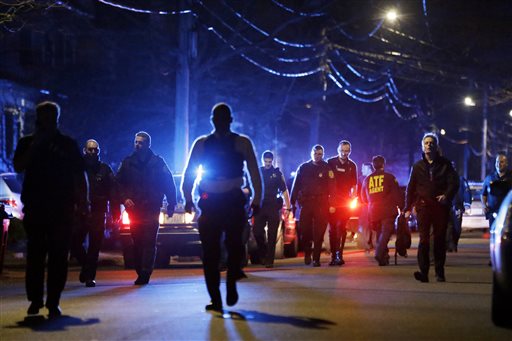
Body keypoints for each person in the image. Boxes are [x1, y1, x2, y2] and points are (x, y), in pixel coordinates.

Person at [182, 103, 262, 312]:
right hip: (210, 202)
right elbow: (189, 173)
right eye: (218, 119)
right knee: (210, 253)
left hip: (232, 200)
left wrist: (257, 199)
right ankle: (216, 299)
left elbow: (254, 173)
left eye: (223, 119)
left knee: (235, 246)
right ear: (213, 121)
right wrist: (187, 198)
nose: (220, 123)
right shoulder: (202, 144)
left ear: (229, 121)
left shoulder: (242, 143)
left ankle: (231, 283)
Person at [13, 101, 89, 317]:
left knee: (58, 256)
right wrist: (36, 146)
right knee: (35, 256)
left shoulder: (67, 145)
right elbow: (19, 166)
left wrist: (84, 201)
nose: (44, 121)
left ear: (56, 118)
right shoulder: (27, 142)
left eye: (48, 117)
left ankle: (53, 300)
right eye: (41, 117)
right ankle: (35, 299)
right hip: (36, 207)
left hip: (62, 208)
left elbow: (79, 174)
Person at [116, 131, 177, 285]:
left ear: (148, 144)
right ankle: (140, 270)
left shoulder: (158, 163)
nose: (137, 145)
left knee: (149, 240)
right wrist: (125, 198)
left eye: (141, 142)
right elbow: (118, 183)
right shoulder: (128, 163)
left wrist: (172, 202)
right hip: (134, 208)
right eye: (136, 142)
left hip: (152, 207)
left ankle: (145, 272)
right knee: (137, 241)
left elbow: (168, 182)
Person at [404, 133, 458, 283]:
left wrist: (446, 195)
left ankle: (439, 272)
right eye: (426, 143)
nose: (428, 145)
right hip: (423, 207)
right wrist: (407, 208)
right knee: (423, 240)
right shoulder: (417, 166)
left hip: (440, 208)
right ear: (422, 146)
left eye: (431, 143)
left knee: (439, 239)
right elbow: (411, 187)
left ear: (436, 146)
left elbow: (454, 183)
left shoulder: (445, 164)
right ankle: (424, 272)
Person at [71, 139, 119, 287]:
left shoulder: (105, 169)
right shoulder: (77, 169)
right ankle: (86, 267)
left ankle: (90, 276)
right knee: (74, 243)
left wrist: (115, 211)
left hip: (99, 211)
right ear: (85, 151)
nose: (92, 153)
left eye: (95, 150)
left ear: (98, 151)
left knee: (94, 246)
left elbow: (113, 191)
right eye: (89, 150)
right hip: (81, 211)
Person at [290, 144, 335, 267]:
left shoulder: (327, 168)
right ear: (311, 154)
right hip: (307, 203)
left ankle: (316, 259)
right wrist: (291, 203)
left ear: (323, 155)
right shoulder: (303, 168)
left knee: (319, 232)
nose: (317, 156)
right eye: (315, 153)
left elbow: (332, 188)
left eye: (320, 154)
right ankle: (307, 252)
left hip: (322, 203)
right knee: (305, 231)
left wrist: (332, 204)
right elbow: (295, 187)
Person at [253, 150, 291, 268]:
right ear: (262, 160)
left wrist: (288, 207)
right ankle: (263, 253)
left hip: (273, 206)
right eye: (266, 161)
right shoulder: (258, 172)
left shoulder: (277, 174)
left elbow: (284, 190)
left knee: (272, 233)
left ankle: (269, 260)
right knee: (257, 231)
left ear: (272, 161)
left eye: (270, 161)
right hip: (260, 206)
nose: (268, 163)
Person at [361, 156, 401, 266]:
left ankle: (384, 258)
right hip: (388, 210)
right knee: (386, 233)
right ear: (383, 164)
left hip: (373, 211)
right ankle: (379, 253)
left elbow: (363, 198)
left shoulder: (367, 180)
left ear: (373, 165)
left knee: (380, 234)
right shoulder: (389, 177)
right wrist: (402, 207)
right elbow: (397, 194)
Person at [326, 140, 357, 266]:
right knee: (333, 228)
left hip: (345, 201)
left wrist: (354, 196)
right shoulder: (331, 163)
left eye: (346, 151)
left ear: (350, 151)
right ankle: (334, 254)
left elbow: (354, 184)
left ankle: (340, 253)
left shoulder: (352, 165)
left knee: (341, 227)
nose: (344, 153)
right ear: (338, 150)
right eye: (342, 151)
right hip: (332, 200)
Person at [481, 153, 512, 229]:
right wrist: (484, 205)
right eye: (497, 162)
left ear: (507, 163)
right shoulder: (489, 178)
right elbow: (483, 194)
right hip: (493, 213)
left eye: (501, 162)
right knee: (494, 235)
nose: (499, 164)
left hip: (508, 214)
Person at [446, 162, 472, 252]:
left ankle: (454, 243)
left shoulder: (461, 180)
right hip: (446, 206)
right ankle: (448, 245)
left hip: (457, 207)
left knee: (456, 227)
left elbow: (466, 191)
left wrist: (467, 204)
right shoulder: (443, 180)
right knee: (447, 226)